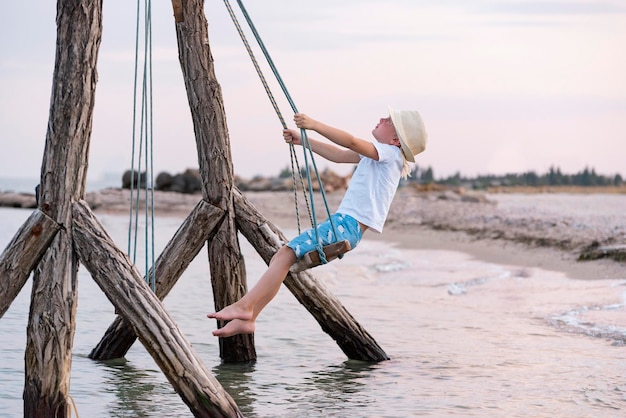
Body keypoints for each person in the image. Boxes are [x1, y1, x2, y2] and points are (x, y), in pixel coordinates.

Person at [207, 106, 427, 337]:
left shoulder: (389, 154)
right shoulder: (379, 155)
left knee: (284, 255)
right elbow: (339, 155)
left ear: (396, 140)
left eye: (389, 120)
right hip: (346, 227)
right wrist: (304, 141)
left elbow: (351, 142)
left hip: (346, 225)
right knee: (282, 259)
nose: (382, 118)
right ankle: (249, 318)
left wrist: (314, 124)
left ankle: (245, 307)